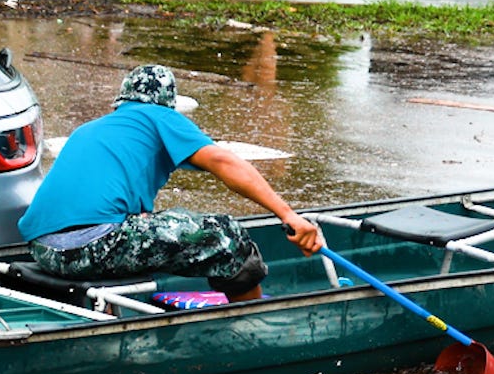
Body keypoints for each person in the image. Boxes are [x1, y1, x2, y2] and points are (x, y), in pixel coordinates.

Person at [19, 65, 323, 303]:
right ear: (168, 104)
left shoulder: (91, 130)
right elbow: (225, 163)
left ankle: (115, 309)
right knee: (224, 235)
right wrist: (288, 214)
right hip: (92, 247)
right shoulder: (157, 116)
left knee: (151, 223)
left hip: (45, 252)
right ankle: (251, 316)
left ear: (121, 99)